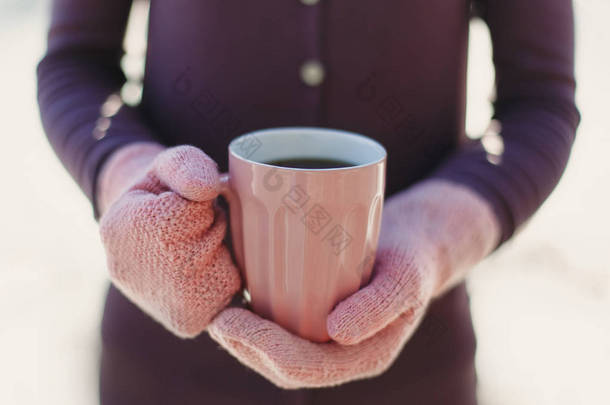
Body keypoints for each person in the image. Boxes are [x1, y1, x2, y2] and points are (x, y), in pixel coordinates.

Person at [36, 0, 580, 403]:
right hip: (166, 370)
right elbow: (75, 61)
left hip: (418, 372)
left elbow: (539, 100)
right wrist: (128, 177)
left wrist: (438, 232)